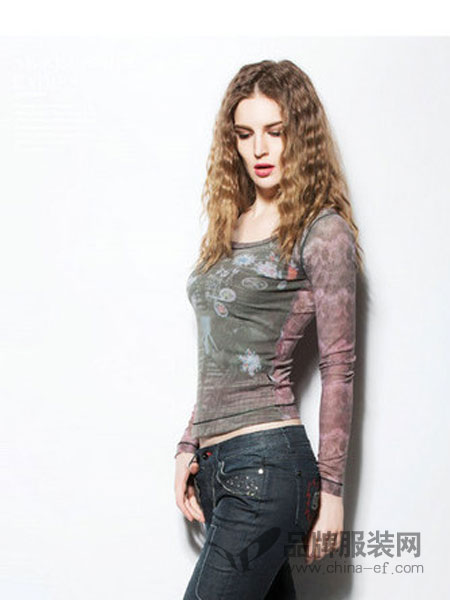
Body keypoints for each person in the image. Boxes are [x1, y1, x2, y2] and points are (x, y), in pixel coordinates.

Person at [173, 59, 363, 599]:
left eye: (275, 132)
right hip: (216, 467)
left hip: (266, 468)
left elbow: (339, 366)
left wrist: (332, 493)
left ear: (300, 135)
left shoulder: (322, 231)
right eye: (245, 134)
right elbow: (225, 353)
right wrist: (189, 443)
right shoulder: (229, 225)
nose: (259, 149)